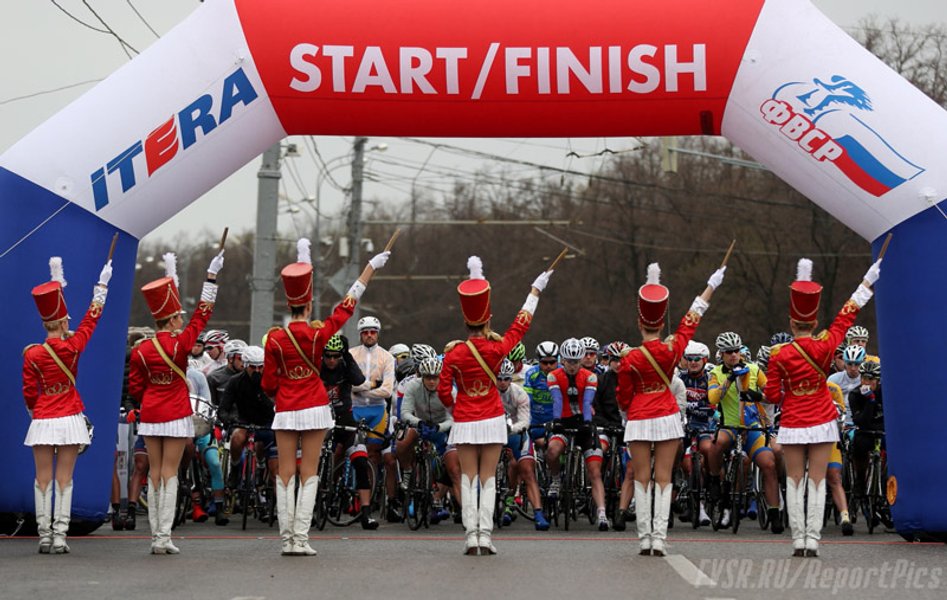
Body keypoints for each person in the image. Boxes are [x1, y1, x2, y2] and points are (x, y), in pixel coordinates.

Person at [262, 238, 390, 556]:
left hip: (286, 408)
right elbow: (346, 306)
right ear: (308, 306)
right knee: (309, 471)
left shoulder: (274, 339)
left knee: (285, 472)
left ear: (288, 305)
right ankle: (301, 539)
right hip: (315, 407)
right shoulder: (319, 334)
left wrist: (284, 390)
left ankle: (286, 539)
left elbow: (268, 383)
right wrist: (369, 268)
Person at [763, 257, 881, 557]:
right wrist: (867, 282)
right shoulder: (827, 344)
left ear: (792, 322)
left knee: (794, 479)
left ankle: (798, 540)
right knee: (818, 479)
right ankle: (813, 540)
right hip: (822, 419)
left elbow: (772, 395)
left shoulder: (778, 355)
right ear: (814, 322)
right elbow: (847, 314)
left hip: (792, 421)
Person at [438, 256, 553, 555]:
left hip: (465, 420)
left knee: (468, 478)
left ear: (465, 321)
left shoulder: (453, 354)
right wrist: (535, 291)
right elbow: (520, 325)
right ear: (487, 320)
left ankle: (470, 536)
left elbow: (443, 391)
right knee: (488, 476)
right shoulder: (497, 348)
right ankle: (485, 536)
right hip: (491, 418)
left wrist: (455, 409)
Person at [617, 261, 725, 557]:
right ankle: (659, 539)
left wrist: (629, 410)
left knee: (641, 478)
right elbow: (693, 318)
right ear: (661, 323)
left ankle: (644, 539)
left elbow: (623, 396)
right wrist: (711, 285)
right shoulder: (672, 349)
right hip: (666, 416)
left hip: (639, 417)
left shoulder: (629, 359)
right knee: (664, 478)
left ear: (640, 323)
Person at [129, 249, 225, 554]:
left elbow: (135, 387)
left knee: (154, 472)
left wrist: (151, 398)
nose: (182, 319)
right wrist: (211, 277)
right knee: (170, 472)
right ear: (171, 320)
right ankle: (163, 537)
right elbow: (203, 312)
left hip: (151, 414)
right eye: (179, 316)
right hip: (175, 413)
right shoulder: (181, 343)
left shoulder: (141, 349)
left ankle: (155, 535)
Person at [23, 255, 112, 553]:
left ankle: (44, 535)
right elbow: (91, 319)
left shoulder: (32, 354)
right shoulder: (73, 346)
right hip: (70, 415)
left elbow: (29, 391)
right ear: (63, 322)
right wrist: (101, 287)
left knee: (42, 479)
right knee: (65, 478)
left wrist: (34, 412)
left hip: (43, 418)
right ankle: (61, 535)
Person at [706, 331, 783, 534]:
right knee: (717, 444)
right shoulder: (716, 373)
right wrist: (729, 380)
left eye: (736, 351)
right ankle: (714, 480)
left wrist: (757, 395)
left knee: (769, 464)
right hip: (729, 426)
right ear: (721, 354)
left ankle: (774, 512)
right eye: (729, 352)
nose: (733, 355)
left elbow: (773, 396)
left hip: (752, 427)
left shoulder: (754, 369)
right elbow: (713, 398)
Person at [546, 338, 608, 530]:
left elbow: (587, 402)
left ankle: (602, 513)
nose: (572, 366)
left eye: (576, 361)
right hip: (563, 422)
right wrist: (556, 420)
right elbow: (557, 400)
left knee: (595, 471)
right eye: (569, 361)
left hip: (584, 422)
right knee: (552, 450)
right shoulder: (553, 376)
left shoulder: (590, 377)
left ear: (581, 360)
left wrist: (588, 422)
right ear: (562, 360)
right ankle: (556, 479)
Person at [320, 334, 380, 530]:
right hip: (322, 419)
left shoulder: (345, 365)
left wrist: (347, 356)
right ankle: (312, 507)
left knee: (361, 461)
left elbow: (359, 379)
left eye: (336, 356)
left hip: (345, 419)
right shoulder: (317, 367)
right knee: (317, 462)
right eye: (328, 356)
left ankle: (366, 513)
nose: (331, 360)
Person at [398, 357, 461, 523]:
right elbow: (405, 412)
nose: (432, 381)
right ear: (422, 376)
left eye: (435, 377)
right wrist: (418, 422)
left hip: (442, 428)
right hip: (420, 425)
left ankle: (440, 499)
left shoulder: (449, 390)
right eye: (428, 377)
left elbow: (453, 418)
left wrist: (439, 427)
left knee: (453, 468)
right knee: (402, 443)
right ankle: (408, 472)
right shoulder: (412, 386)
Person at [219, 345, 276, 521]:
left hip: (267, 422)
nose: (257, 371)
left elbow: (275, 408)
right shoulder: (235, 381)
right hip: (244, 421)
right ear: (245, 365)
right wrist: (228, 420)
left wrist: (261, 390)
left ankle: (261, 474)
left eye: (260, 367)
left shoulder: (270, 380)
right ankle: (235, 468)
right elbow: (224, 408)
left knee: (265, 449)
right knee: (237, 438)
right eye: (253, 367)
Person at [496, 359, 548, 530]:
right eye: (499, 378)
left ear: (511, 378)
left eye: (506, 378)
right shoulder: (489, 393)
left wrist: (510, 428)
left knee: (527, 470)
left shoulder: (519, 393)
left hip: (516, 434)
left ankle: (538, 513)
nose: (502, 382)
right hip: (494, 434)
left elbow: (525, 421)